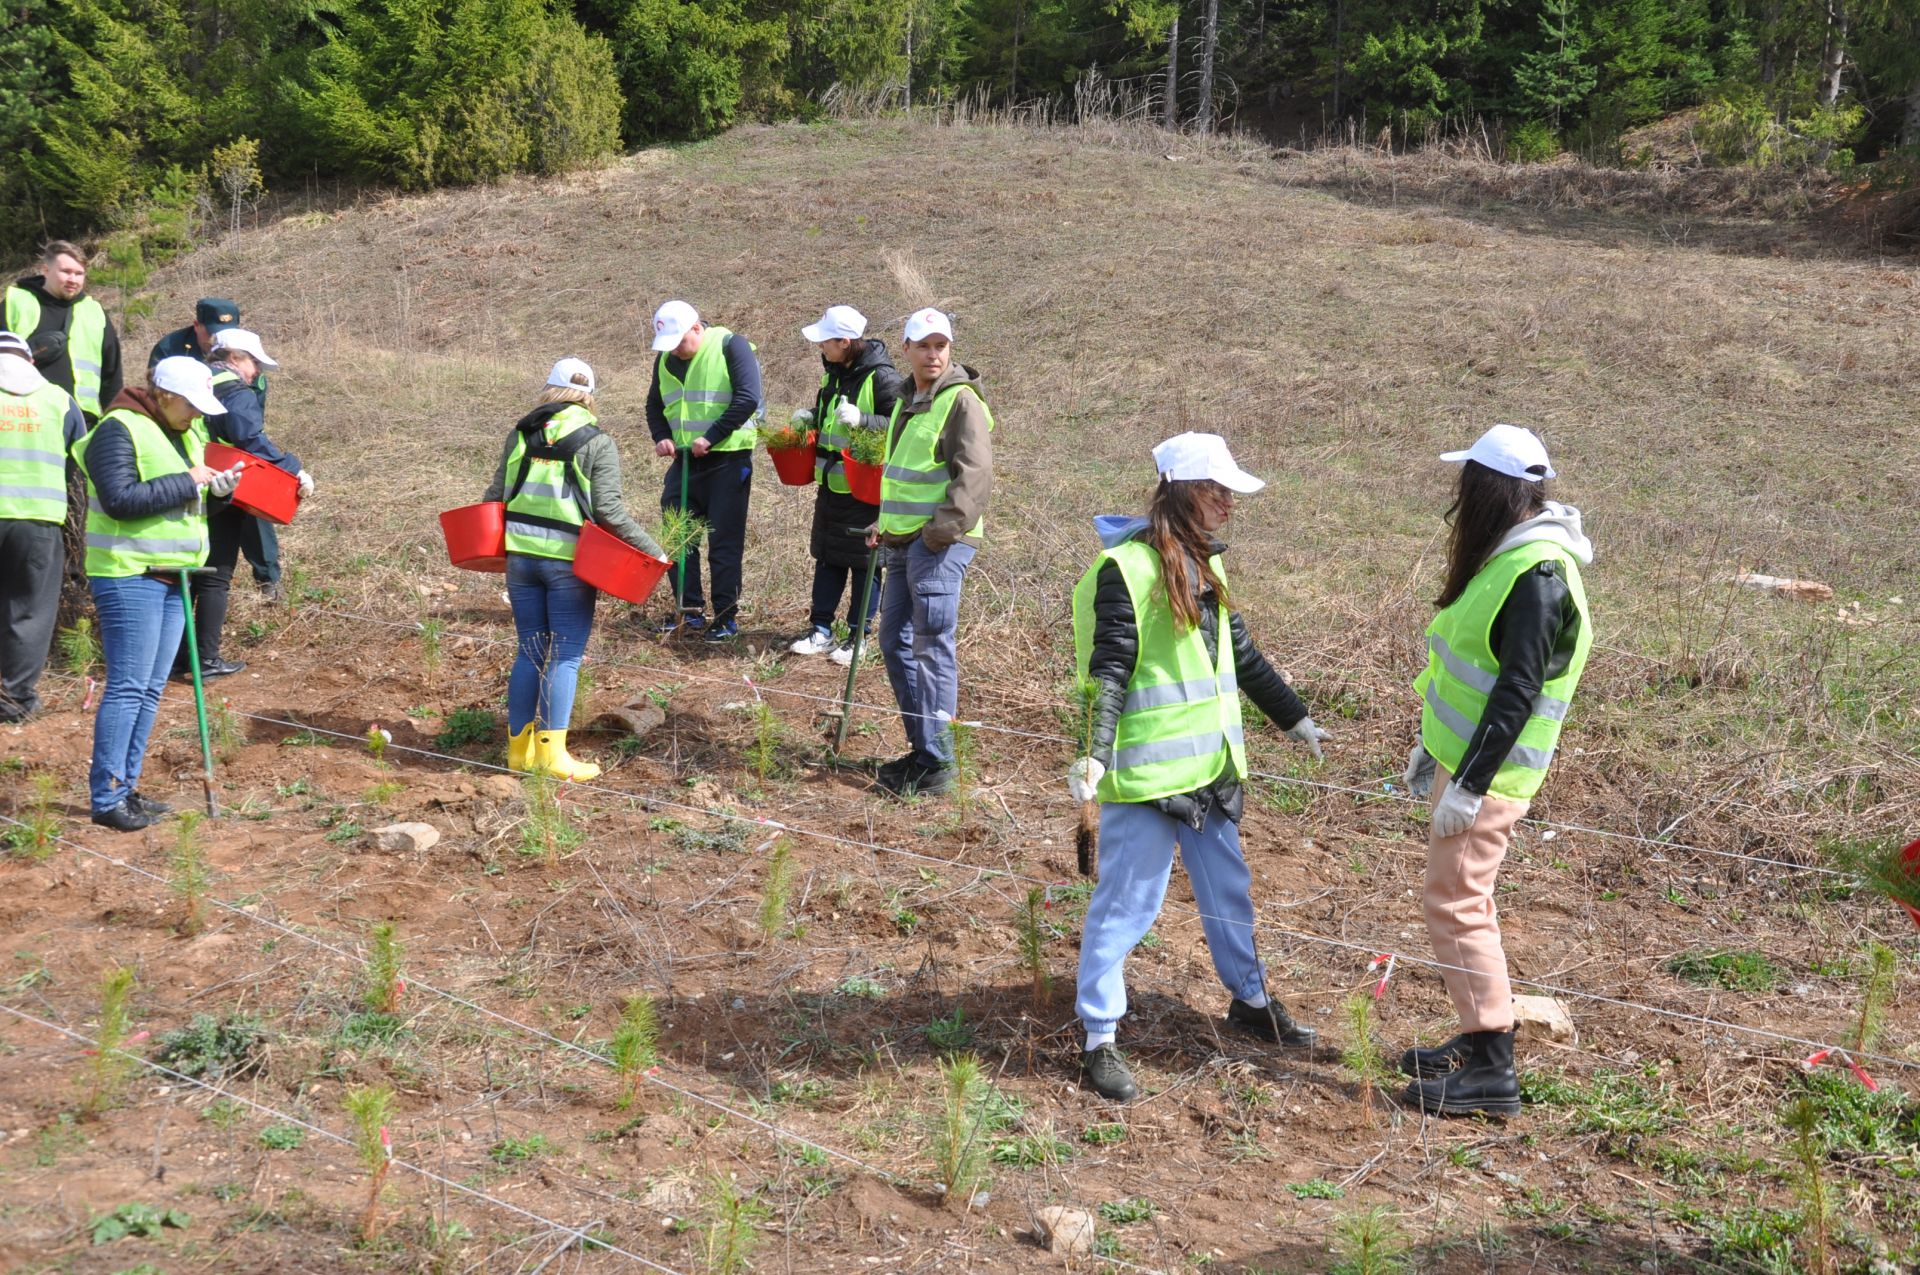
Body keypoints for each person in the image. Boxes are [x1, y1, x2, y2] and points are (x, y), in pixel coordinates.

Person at [1065, 432, 1332, 1102]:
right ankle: (1100, 1036)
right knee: (1127, 904)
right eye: (1217, 491)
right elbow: (1111, 669)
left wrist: (1295, 716)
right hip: (1150, 779)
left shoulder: (1207, 565)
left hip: (1211, 773)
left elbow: (1240, 656)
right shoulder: (1125, 571)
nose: (1228, 503)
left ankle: (1250, 1000)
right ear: (1182, 490)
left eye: (1230, 493)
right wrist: (1094, 753)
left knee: (1228, 894)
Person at [1396, 424, 1592, 1117]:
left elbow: (1518, 690)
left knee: (1456, 904)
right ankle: (1481, 1037)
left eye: (1469, 485)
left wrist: (1472, 782)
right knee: (1460, 902)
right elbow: (1474, 671)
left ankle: (1491, 1065)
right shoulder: (1516, 556)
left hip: (1493, 779)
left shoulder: (1537, 573)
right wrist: (1439, 748)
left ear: (1493, 490)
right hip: (1472, 765)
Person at [72, 357, 239, 831]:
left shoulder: (187, 434)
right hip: (129, 574)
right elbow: (121, 499)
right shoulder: (116, 429)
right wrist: (189, 480)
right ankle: (107, 799)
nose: (197, 416)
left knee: (149, 689)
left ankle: (128, 787)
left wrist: (218, 492)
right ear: (163, 394)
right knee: (127, 688)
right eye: (190, 405)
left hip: (173, 575)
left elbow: (186, 501)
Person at [483, 358, 665, 782]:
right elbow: (609, 512)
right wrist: (655, 553)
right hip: (568, 563)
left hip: (521, 559)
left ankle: (518, 752)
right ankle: (553, 757)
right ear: (588, 397)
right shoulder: (596, 441)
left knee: (529, 649)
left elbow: (495, 495)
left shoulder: (521, 434)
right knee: (565, 657)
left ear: (550, 389)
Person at [869, 309, 993, 798]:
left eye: (941, 345)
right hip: (901, 542)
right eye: (923, 345)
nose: (933, 353)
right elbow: (904, 472)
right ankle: (924, 749)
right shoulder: (907, 399)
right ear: (906, 348)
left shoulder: (961, 401)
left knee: (931, 647)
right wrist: (886, 523)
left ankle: (940, 764)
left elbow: (976, 476)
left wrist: (938, 535)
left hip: (938, 545)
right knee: (893, 644)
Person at [174, 328, 311, 681]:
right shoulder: (236, 391)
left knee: (188, 574)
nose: (257, 372)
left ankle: (177, 658)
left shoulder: (193, 387)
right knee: (217, 576)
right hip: (221, 486)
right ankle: (205, 660)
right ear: (234, 358)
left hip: (185, 482)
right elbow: (249, 439)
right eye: (254, 363)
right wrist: (293, 468)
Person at [788, 305, 903, 666]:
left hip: (865, 488)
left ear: (845, 341)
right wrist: (811, 415)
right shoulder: (834, 373)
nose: (821, 347)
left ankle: (858, 637)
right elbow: (829, 415)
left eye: (825, 341)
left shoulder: (882, 378)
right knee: (827, 558)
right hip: (832, 486)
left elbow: (902, 424)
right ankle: (820, 630)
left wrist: (864, 419)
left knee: (863, 563)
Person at [148, 299, 282, 601]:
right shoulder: (172, 347)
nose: (216, 336)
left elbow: (249, 423)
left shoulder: (247, 366)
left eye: (227, 330)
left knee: (251, 511)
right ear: (197, 326)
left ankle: (268, 578)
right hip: (191, 455)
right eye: (212, 330)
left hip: (233, 454)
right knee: (209, 529)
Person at [645, 300, 762, 642]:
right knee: (679, 535)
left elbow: (748, 398)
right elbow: (654, 405)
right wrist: (662, 436)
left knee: (724, 543)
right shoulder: (666, 358)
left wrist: (711, 436)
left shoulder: (731, 345)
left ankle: (726, 618)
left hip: (728, 459)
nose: (676, 351)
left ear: (696, 328)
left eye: (680, 342)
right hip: (685, 462)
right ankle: (689, 610)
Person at [0, 330, 88, 722]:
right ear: (30, 361)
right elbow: (80, 462)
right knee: (30, 609)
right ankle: (15, 699)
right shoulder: (58, 399)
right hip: (38, 519)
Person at [5, 240, 123, 423]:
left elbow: (112, 377)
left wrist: (115, 422)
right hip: (29, 418)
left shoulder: (94, 312)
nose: (73, 279)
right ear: (45, 270)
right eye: (66, 272)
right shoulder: (16, 303)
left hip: (83, 422)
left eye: (79, 273)